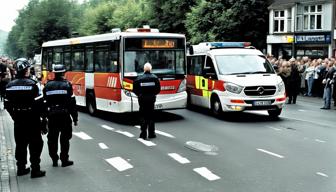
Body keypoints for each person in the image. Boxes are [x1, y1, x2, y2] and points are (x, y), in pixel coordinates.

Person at [4, 58, 46, 178]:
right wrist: (43, 119)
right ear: (26, 70)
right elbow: (40, 104)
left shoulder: (9, 86)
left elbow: (7, 105)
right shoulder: (33, 84)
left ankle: (21, 168)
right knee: (35, 144)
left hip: (19, 119)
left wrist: (14, 116)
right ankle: (35, 170)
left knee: (20, 144)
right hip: (32, 119)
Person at [43, 64, 78, 167]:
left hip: (52, 116)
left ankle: (54, 159)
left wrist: (44, 117)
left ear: (54, 73)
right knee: (65, 139)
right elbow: (72, 103)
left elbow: (44, 103)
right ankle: (64, 160)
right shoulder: (67, 85)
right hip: (64, 116)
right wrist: (75, 118)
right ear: (63, 73)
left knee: (52, 139)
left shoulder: (48, 86)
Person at [133, 63, 161, 140]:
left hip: (142, 100)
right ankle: (151, 133)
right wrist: (152, 94)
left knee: (143, 116)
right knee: (151, 116)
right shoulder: (155, 78)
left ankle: (143, 133)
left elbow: (135, 90)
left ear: (144, 69)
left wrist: (140, 95)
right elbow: (158, 89)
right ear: (151, 69)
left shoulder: (139, 78)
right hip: (151, 99)